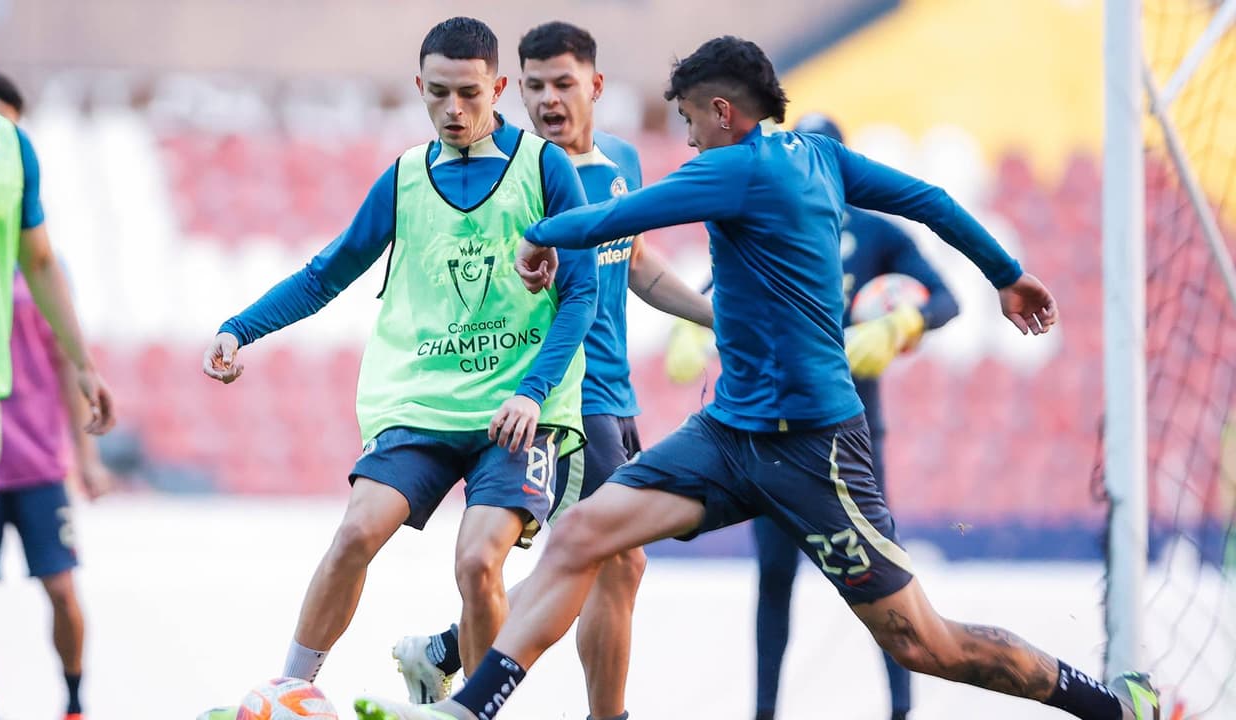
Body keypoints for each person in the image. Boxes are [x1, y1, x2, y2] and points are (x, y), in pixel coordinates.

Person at [353, 35, 1160, 720]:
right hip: (729, 434)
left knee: (925, 643)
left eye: (692, 121)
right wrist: (1006, 273)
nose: (690, 138)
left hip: (815, 451)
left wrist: (538, 235)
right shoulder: (823, 158)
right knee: (580, 537)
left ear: (724, 113)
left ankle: (1112, 706)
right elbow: (932, 199)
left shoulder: (735, 167)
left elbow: (614, 218)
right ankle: (468, 708)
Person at [197, 16, 596, 719]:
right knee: (355, 532)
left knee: (477, 563)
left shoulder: (544, 168)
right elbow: (327, 274)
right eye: (437, 93)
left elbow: (582, 293)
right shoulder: (406, 179)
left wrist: (534, 391)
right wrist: (238, 328)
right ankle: (291, 688)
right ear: (419, 86)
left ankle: (472, 710)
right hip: (420, 405)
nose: (453, 110)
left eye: (469, 94)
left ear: (498, 87)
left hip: (519, 414)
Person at [391, 22, 713, 720]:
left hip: (619, 399)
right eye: (533, 86)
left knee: (607, 562)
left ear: (594, 86)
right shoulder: (516, 174)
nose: (547, 99)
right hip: (569, 401)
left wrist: (714, 318)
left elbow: (634, 264)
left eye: (562, 83)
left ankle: (446, 654)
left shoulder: (619, 161)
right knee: (616, 561)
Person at [748, 113, 959, 720]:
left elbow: (947, 298)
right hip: (773, 430)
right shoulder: (767, 227)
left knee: (882, 581)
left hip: (852, 438)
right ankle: (764, 712)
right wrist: (692, 323)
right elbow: (712, 292)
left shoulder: (877, 234)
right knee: (773, 578)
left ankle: (901, 710)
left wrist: (903, 322)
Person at [0, 4, 115, 720]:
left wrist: (84, 388)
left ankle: (67, 700)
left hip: (13, 431)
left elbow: (45, 280)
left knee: (45, 586)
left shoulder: (16, 169)